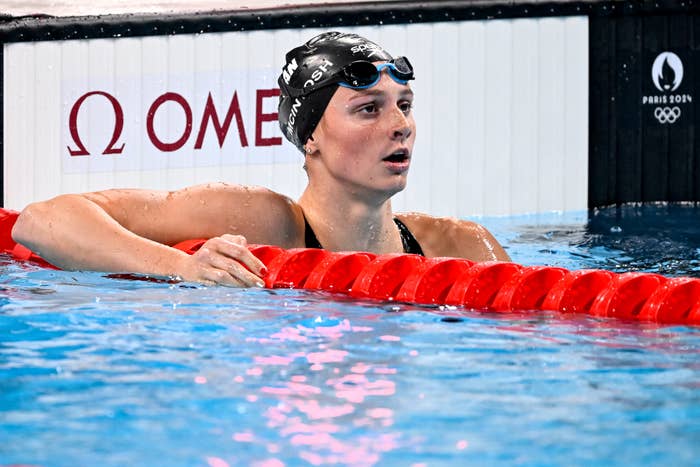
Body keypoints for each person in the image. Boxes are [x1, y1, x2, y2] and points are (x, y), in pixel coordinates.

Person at [11, 31, 510, 288]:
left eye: (404, 105)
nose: (399, 124)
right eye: (368, 109)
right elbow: (41, 222)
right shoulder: (262, 221)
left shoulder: (461, 243)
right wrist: (182, 268)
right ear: (310, 136)